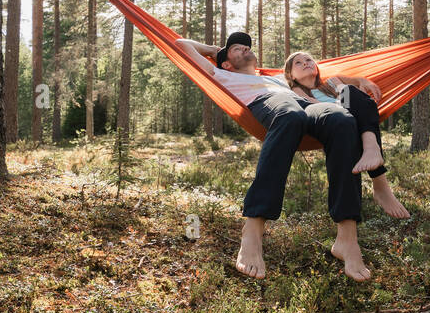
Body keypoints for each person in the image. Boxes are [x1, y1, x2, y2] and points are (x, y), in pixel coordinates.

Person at [173, 31, 405, 283]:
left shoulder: (277, 78)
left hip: (306, 105)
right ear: (226, 63)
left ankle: (346, 237)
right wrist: (216, 50)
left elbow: (328, 80)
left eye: (246, 46)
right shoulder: (221, 74)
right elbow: (181, 44)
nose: (245, 49)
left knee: (342, 120)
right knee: (291, 116)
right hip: (271, 104)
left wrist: (356, 82)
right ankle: (253, 228)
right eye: (237, 49)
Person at [282, 51, 409, 220]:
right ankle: (380, 183)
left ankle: (372, 151)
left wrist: (365, 84)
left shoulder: (333, 81)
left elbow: (359, 82)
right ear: (291, 75)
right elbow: (314, 107)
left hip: (351, 116)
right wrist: (348, 100)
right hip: (329, 121)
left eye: (308, 59)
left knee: (350, 90)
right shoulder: (297, 91)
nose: (305, 63)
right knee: (350, 100)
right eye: (298, 63)